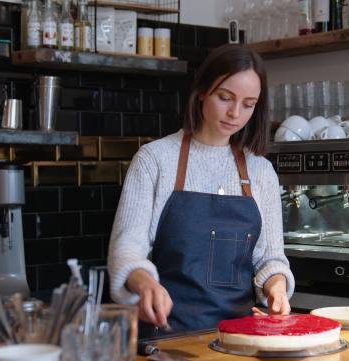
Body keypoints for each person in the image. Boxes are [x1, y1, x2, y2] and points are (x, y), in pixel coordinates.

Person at [107, 44, 294, 335]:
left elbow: (270, 259)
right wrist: (146, 284)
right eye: (225, 98)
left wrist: (277, 288)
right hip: (167, 337)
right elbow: (127, 250)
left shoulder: (260, 171)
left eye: (248, 104)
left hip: (239, 340)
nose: (235, 113)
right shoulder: (154, 159)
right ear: (203, 90)